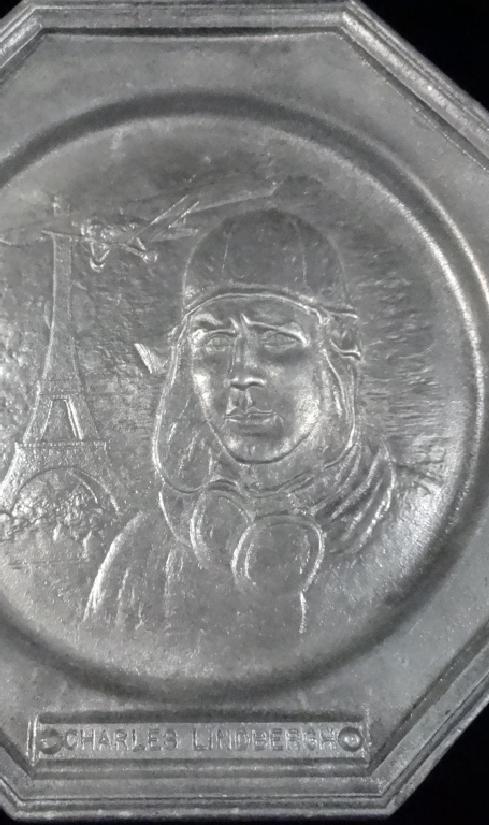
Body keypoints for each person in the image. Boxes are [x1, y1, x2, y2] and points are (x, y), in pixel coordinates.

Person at [84, 208, 395, 636]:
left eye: (275, 337)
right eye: (215, 340)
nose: (241, 372)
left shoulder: (424, 536)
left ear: (340, 344)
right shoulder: (139, 555)